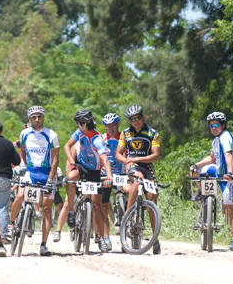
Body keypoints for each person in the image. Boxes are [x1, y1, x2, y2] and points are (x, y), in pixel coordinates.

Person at [10, 106, 59, 256]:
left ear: (43, 117)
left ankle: (43, 244)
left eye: (39, 116)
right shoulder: (24, 133)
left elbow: (55, 160)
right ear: (29, 118)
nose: (37, 119)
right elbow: (22, 151)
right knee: (19, 196)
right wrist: (27, 166)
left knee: (46, 208)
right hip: (31, 172)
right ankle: (11, 224)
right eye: (34, 117)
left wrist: (50, 180)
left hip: (47, 173)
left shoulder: (51, 134)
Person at [189, 111, 233, 251]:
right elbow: (212, 158)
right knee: (194, 171)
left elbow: (228, 155)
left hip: (230, 177)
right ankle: (202, 192)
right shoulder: (216, 140)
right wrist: (197, 165)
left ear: (223, 125)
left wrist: (229, 173)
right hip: (217, 170)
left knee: (230, 210)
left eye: (216, 124)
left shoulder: (225, 137)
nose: (213, 128)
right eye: (211, 125)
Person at [64, 110, 113, 252]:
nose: (77, 126)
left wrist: (109, 176)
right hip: (81, 166)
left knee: (97, 205)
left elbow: (104, 158)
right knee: (71, 178)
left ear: (84, 124)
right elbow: (67, 146)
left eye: (78, 124)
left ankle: (101, 238)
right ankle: (72, 211)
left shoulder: (97, 139)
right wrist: (72, 163)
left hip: (94, 172)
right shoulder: (79, 133)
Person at [115, 104, 161, 254]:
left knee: (152, 198)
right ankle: (126, 220)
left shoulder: (152, 133)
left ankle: (155, 239)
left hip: (147, 167)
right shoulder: (125, 133)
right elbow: (118, 153)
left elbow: (155, 155)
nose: (136, 121)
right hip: (133, 166)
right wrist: (127, 161)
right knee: (136, 179)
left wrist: (139, 158)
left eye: (138, 118)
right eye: (132, 119)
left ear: (143, 116)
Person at [99, 113, 123, 249]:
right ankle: (106, 238)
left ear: (118, 124)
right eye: (108, 126)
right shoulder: (101, 139)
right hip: (107, 175)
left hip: (122, 173)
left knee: (130, 193)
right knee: (103, 205)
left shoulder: (124, 137)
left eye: (113, 125)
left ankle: (127, 227)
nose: (111, 128)